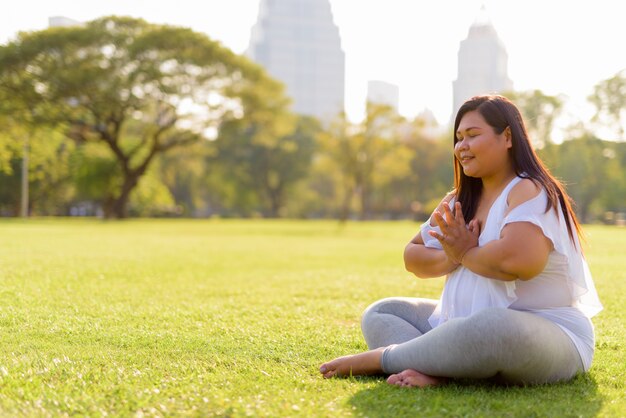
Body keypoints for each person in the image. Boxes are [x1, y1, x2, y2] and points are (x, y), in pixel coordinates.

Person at [319, 95, 602, 387]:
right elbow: (413, 256)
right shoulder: (458, 199)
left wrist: (466, 252)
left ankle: (384, 359)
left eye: (472, 135)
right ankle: (437, 371)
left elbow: (521, 262)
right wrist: (452, 256)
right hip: (461, 325)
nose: (461, 147)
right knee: (382, 312)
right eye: (458, 138)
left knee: (492, 327)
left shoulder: (529, 190)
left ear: (507, 137)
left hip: (545, 332)